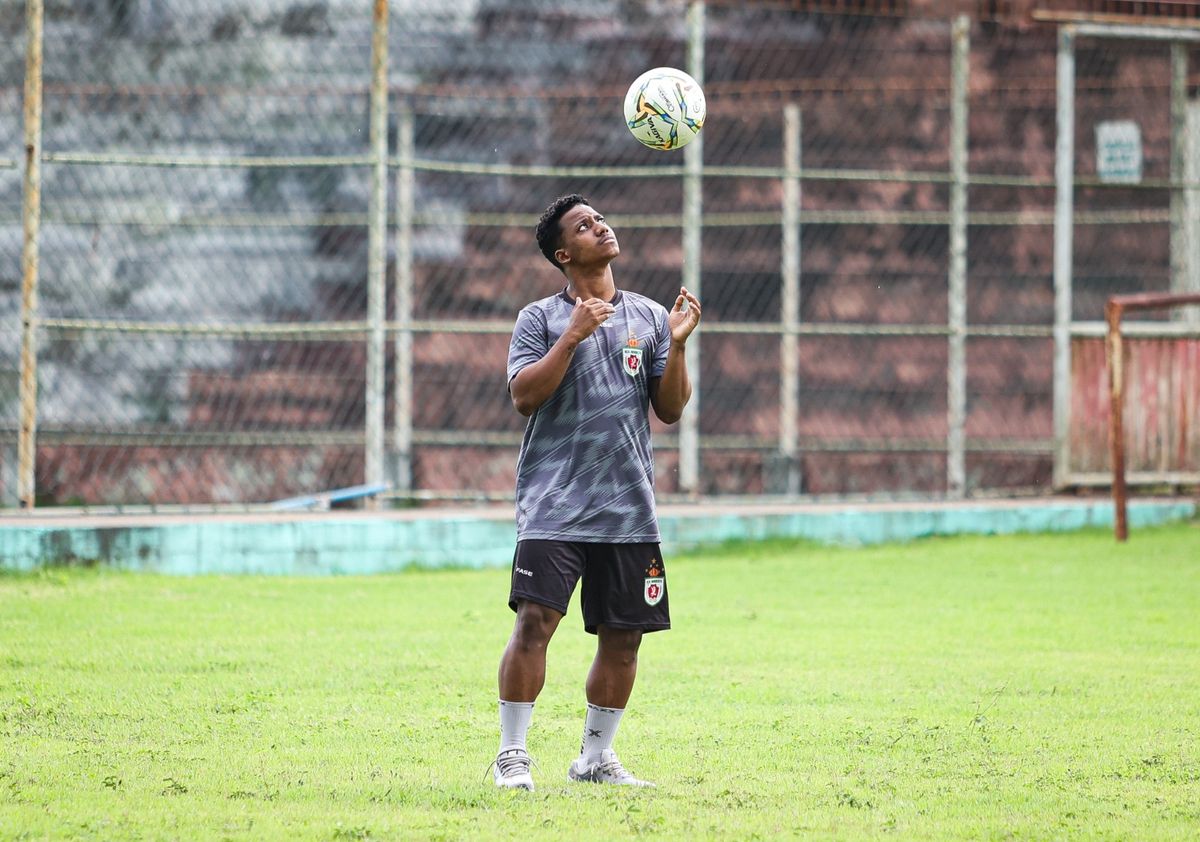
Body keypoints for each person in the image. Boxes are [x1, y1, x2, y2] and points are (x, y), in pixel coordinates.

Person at [489, 193, 701, 792]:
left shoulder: (652, 317)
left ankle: (595, 758)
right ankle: (512, 756)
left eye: (602, 218)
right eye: (585, 226)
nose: (601, 227)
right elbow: (524, 397)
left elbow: (669, 408)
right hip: (554, 505)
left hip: (629, 510)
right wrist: (573, 336)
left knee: (625, 639)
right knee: (535, 622)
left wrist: (679, 343)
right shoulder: (539, 319)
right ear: (564, 253)